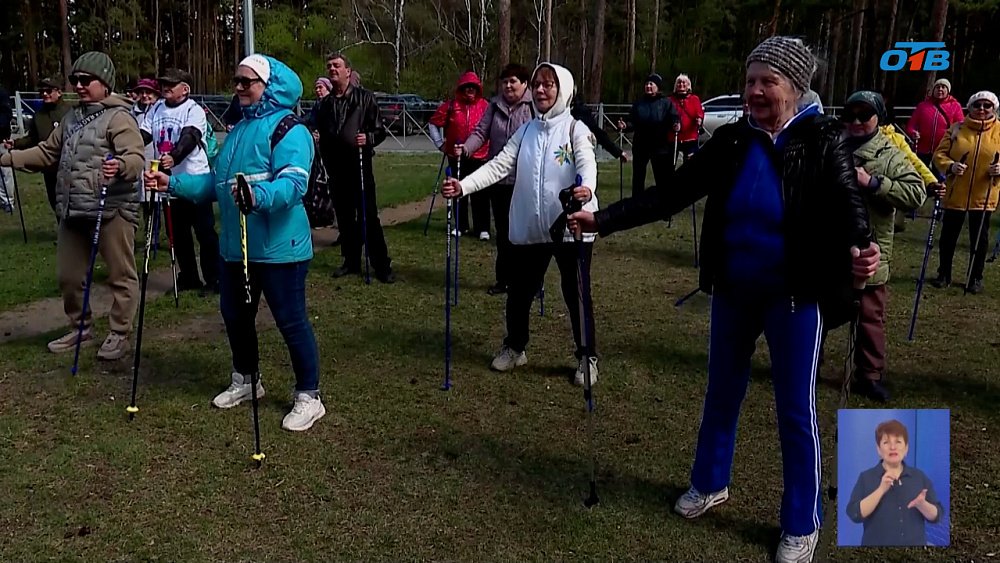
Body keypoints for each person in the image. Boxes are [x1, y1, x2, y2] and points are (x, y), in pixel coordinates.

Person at [567, 36, 880, 563]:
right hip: (734, 291)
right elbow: (671, 193)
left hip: (794, 295)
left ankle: (801, 522)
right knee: (721, 393)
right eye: (750, 80)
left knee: (794, 410)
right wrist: (603, 219)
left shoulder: (823, 138)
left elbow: (850, 205)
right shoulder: (733, 140)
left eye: (767, 82)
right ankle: (710, 482)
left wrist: (862, 247)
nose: (754, 91)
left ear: (793, 87)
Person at [145, 54, 325, 432]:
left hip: (280, 249)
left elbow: (294, 184)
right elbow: (216, 184)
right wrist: (172, 183)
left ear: (269, 86)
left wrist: (257, 196)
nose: (239, 88)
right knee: (235, 316)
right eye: (236, 81)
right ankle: (247, 379)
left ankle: (309, 395)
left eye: (247, 81)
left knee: (290, 320)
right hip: (235, 248)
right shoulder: (239, 130)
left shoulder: (290, 129)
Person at [441, 62, 600, 386]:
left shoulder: (575, 129)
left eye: (548, 84)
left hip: (570, 225)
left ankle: (587, 357)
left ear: (562, 90)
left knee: (576, 294)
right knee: (519, 291)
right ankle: (515, 347)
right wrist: (463, 186)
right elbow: (499, 165)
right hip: (531, 226)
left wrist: (587, 188)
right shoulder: (525, 132)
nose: (540, 90)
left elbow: (587, 162)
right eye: (537, 84)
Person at [1, 51, 145, 360]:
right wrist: (7, 158)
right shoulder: (71, 117)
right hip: (73, 209)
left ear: (105, 83)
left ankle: (119, 332)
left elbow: (135, 157)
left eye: (86, 80)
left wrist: (120, 165)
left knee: (120, 275)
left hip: (111, 210)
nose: (79, 85)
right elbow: (46, 153)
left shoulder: (120, 117)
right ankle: (80, 328)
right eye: (75, 79)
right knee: (69, 277)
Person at [840, 91, 926, 402]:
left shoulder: (890, 153)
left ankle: (869, 375)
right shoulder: (832, 144)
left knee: (869, 317)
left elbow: (916, 193)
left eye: (865, 115)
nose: (856, 122)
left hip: (870, 249)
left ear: (879, 117)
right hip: (830, 245)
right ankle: (808, 365)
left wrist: (874, 183)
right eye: (850, 115)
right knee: (816, 310)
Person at [139, 68, 221, 294]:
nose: (165, 87)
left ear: (185, 89)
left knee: (204, 232)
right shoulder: (156, 108)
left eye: (171, 84)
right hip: (169, 182)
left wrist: (174, 157)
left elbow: (190, 137)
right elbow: (143, 134)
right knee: (178, 234)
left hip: (195, 180)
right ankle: (189, 277)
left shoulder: (193, 110)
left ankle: (215, 278)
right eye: (163, 83)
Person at [315, 52, 394, 283]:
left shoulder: (365, 98)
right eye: (329, 66)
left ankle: (381, 265)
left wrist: (368, 138)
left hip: (359, 167)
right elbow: (319, 129)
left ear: (348, 71)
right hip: (335, 169)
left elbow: (380, 131)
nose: (332, 69)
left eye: (337, 65)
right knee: (345, 218)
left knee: (368, 216)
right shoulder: (325, 104)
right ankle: (351, 260)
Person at [461, 63, 534, 295]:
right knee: (503, 233)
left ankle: (530, 280)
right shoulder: (494, 106)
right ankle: (503, 280)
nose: (508, 86)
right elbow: (481, 132)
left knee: (525, 233)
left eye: (513, 81)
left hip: (525, 180)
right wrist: (466, 148)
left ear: (525, 84)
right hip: (499, 180)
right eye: (505, 82)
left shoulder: (534, 106)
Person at [931, 90, 1000, 294]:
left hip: (984, 193)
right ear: (969, 107)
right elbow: (939, 155)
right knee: (948, 237)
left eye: (987, 105)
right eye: (977, 105)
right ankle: (943, 274)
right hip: (956, 192)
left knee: (979, 239)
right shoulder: (956, 128)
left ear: (994, 108)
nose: (982, 109)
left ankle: (975, 278)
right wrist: (950, 166)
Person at [846, 420, 943, 546]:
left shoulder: (919, 477)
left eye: (898, 442)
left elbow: (937, 516)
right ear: (879, 449)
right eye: (886, 442)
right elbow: (854, 514)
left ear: (906, 448)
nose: (893, 447)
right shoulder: (866, 478)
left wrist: (922, 504)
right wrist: (881, 490)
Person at [430, 72, 492, 240]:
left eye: (473, 87)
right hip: (456, 156)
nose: (470, 90)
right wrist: (440, 144)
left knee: (480, 192)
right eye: (467, 87)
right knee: (458, 191)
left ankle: (482, 228)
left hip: (480, 155)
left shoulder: (485, 106)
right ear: (461, 89)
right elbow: (433, 123)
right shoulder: (451, 106)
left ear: (478, 89)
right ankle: (460, 225)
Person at [4, 77, 73, 217]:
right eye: (42, 92)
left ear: (59, 92)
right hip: (49, 168)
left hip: (68, 166)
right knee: (55, 203)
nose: (45, 94)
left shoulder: (70, 112)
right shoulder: (38, 115)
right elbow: (33, 138)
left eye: (49, 91)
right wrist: (15, 143)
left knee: (71, 203)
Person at [617, 74, 679, 196]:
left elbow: (674, 117)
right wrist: (625, 125)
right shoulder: (639, 104)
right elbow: (632, 120)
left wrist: (676, 123)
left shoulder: (666, 103)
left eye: (651, 84)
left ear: (657, 87)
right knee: (638, 177)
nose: (648, 86)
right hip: (641, 145)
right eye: (646, 84)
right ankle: (636, 202)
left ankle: (662, 201)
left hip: (660, 146)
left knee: (661, 177)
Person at [906, 79, 964, 165]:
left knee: (940, 172)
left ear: (948, 91)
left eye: (943, 87)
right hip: (922, 149)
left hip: (943, 150)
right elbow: (911, 125)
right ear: (933, 90)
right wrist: (913, 133)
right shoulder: (922, 106)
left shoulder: (955, 106)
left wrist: (954, 136)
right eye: (937, 87)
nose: (940, 89)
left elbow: (960, 126)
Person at [304, 77, 336, 230]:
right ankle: (319, 215)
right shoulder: (317, 106)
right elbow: (309, 121)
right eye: (316, 88)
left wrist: (323, 134)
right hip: (318, 150)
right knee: (318, 182)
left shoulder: (333, 104)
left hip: (332, 150)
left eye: (321, 88)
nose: (318, 91)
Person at [130, 78, 160, 224]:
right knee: (142, 196)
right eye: (141, 92)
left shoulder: (160, 110)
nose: (144, 95)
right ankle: (147, 227)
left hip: (155, 159)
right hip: (139, 158)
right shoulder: (132, 112)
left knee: (155, 195)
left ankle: (156, 228)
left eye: (148, 92)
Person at [669, 74, 705, 158]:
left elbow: (699, 112)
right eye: (679, 82)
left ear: (688, 85)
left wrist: (699, 119)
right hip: (674, 137)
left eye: (684, 82)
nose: (681, 84)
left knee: (691, 162)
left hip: (690, 137)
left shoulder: (694, 99)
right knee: (670, 162)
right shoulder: (670, 100)